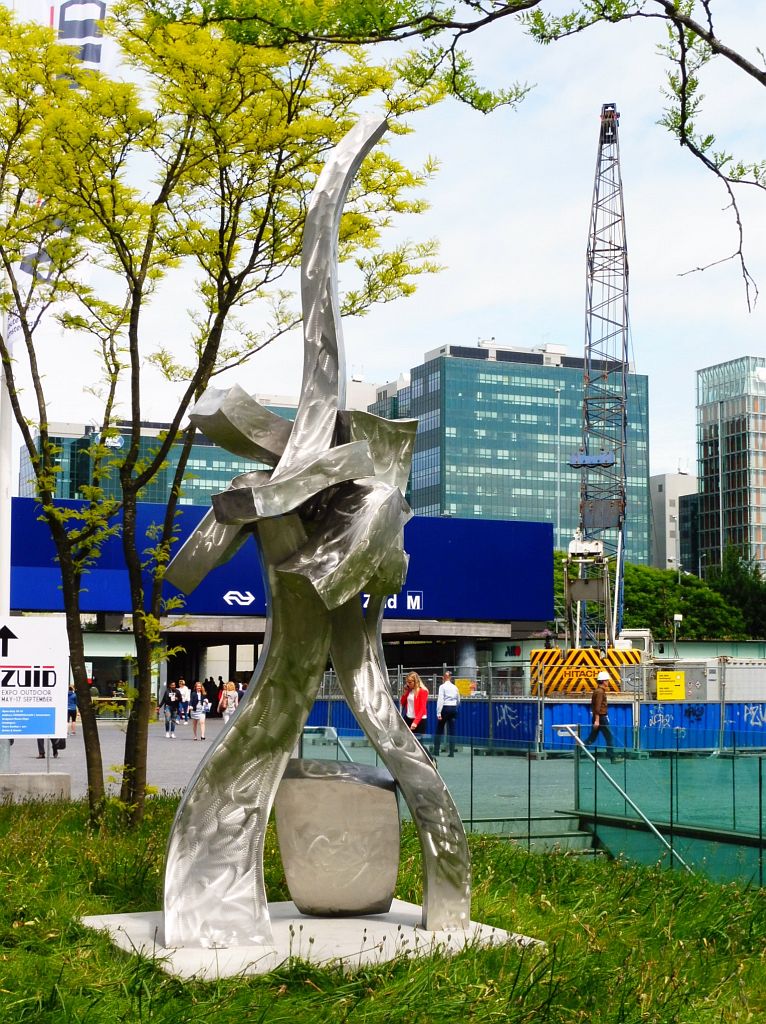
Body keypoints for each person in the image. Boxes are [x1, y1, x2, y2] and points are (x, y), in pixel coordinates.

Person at [583, 671, 622, 763]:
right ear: (603, 681)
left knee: (592, 738)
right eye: (607, 680)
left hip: (599, 718)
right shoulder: (600, 692)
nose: (608, 682)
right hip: (601, 718)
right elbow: (597, 707)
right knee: (609, 737)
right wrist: (597, 720)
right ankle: (613, 758)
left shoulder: (598, 691)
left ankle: (579, 749)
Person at [434, 669, 460, 758]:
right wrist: (455, 708)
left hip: (445, 708)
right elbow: (458, 700)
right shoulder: (455, 687)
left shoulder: (442, 687)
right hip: (453, 708)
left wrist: (438, 713)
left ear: (443, 678)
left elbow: (440, 700)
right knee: (452, 730)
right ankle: (451, 752)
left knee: (439, 729)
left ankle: (436, 750)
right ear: (451, 678)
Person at [400, 671, 428, 739]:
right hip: (408, 718)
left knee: (418, 742)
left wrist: (415, 722)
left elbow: (422, 708)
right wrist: (405, 693)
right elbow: (402, 702)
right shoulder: (409, 690)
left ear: (415, 681)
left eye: (410, 682)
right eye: (407, 682)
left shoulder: (423, 691)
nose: (408, 684)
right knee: (406, 740)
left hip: (419, 720)